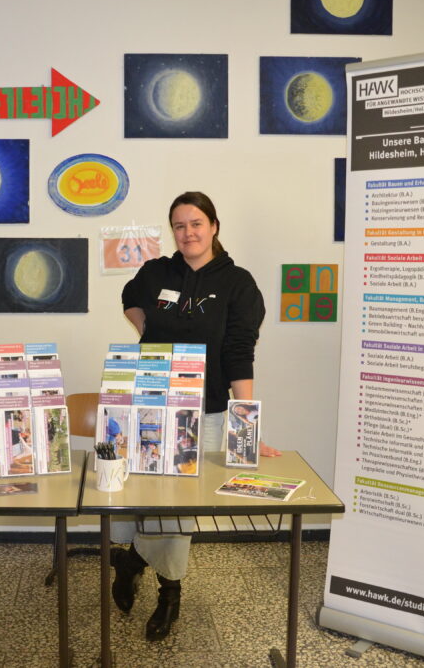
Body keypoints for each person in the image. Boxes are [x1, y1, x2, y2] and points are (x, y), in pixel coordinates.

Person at [116, 191, 278, 640]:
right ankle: (136, 562)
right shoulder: (156, 273)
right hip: (151, 405)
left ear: (214, 227)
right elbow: (129, 296)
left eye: (196, 223)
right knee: (149, 495)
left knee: (180, 507)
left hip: (204, 411)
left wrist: (245, 429)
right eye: (179, 225)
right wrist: (145, 328)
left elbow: (240, 354)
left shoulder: (238, 283)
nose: (188, 233)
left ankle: (164, 587)